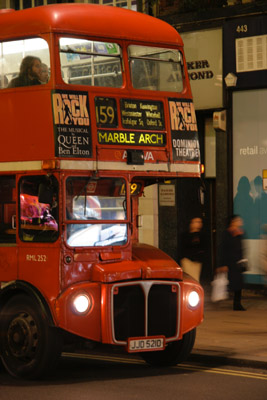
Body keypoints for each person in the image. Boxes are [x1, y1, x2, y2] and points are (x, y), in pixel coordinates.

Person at [218, 215, 246, 311]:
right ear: (232, 221)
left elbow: (241, 248)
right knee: (231, 282)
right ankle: (224, 299)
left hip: (238, 262)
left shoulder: (239, 233)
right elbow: (223, 249)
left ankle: (237, 304)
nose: (240, 221)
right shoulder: (226, 233)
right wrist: (223, 264)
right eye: (238, 220)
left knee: (239, 283)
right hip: (230, 262)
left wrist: (243, 260)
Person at [180, 216, 204, 282]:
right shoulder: (185, 235)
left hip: (197, 261)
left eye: (200, 222)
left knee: (196, 279)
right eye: (197, 222)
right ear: (191, 223)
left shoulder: (202, 235)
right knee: (189, 279)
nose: (199, 224)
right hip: (187, 260)